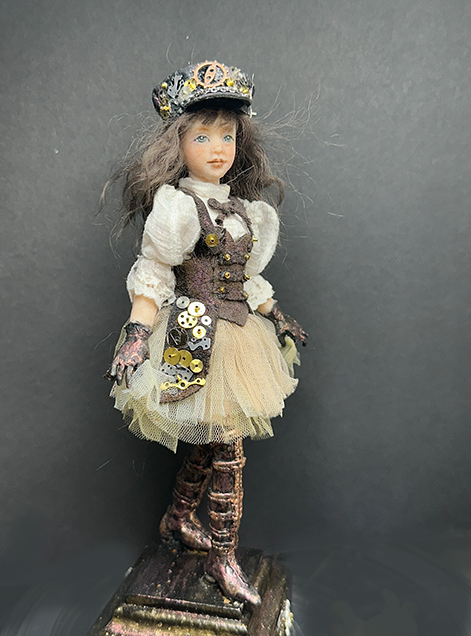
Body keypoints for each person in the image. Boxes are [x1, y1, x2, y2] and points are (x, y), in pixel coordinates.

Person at [105, 61, 307, 606]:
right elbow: (154, 274)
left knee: (212, 438)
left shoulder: (245, 212)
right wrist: (136, 334)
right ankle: (222, 556)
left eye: (228, 136)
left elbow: (247, 278)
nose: (218, 149)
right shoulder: (178, 208)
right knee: (228, 451)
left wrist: (276, 314)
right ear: (178, 143)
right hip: (195, 337)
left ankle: (177, 517)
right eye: (202, 136)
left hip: (238, 336)